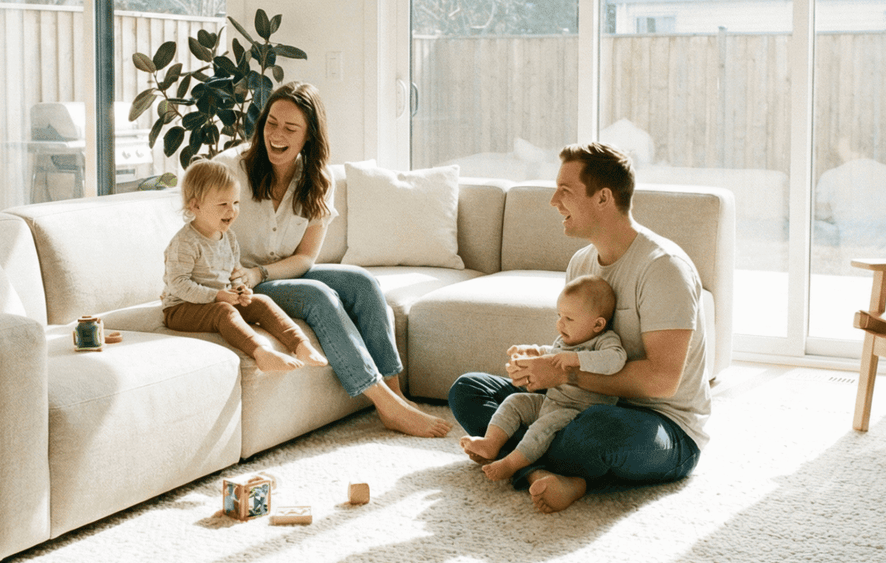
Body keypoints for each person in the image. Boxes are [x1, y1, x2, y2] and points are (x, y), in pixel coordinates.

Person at [448, 142, 710, 512]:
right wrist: (538, 363)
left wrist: (561, 375)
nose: (553, 200)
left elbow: (661, 380)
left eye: (565, 191)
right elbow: (575, 349)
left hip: (663, 423)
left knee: (595, 429)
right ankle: (545, 474)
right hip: (580, 403)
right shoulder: (582, 263)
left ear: (603, 198)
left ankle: (534, 466)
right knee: (470, 390)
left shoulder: (663, 269)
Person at [228, 81, 450, 438]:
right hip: (239, 284)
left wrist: (261, 273)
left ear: (308, 137)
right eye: (271, 123)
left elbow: (304, 258)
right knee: (318, 295)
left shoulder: (318, 180)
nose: (276, 135)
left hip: (274, 273)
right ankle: (384, 403)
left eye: (290, 128)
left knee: (362, 282)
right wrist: (245, 276)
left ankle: (396, 396)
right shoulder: (233, 168)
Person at [161, 159, 326, 373]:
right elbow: (178, 285)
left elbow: (234, 272)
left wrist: (240, 290)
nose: (232, 210)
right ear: (196, 206)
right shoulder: (185, 243)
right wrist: (218, 295)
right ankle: (262, 353)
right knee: (223, 312)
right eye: (223, 204)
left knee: (262, 302)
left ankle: (301, 345)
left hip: (217, 299)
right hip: (181, 308)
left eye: (236, 203)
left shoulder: (228, 237)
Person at [459, 274, 626, 481]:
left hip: (577, 412)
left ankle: (512, 463)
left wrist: (576, 359)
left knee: (542, 426)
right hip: (551, 401)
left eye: (569, 319)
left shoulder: (604, 341)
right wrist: (535, 351)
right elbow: (553, 354)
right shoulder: (565, 339)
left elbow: (616, 360)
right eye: (559, 316)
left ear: (598, 325)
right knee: (514, 401)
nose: (560, 324)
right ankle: (491, 443)